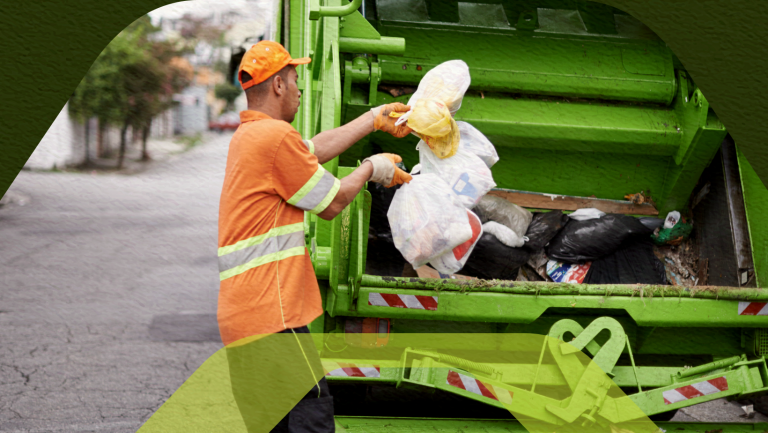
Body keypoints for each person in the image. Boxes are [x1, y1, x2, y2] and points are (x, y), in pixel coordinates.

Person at [217, 40, 413, 432]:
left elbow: (313, 151)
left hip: (246, 315)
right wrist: (371, 169)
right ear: (277, 86)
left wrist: (373, 118)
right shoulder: (273, 139)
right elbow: (333, 203)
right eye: (294, 79)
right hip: (272, 313)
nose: (299, 89)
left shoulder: (252, 137)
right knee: (311, 415)